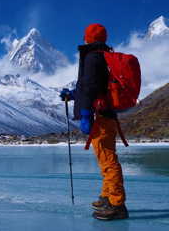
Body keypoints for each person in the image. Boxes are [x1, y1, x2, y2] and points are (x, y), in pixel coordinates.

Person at [60, 24, 129, 221]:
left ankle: (117, 205)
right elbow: (95, 86)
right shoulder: (105, 57)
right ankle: (107, 197)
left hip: (99, 116)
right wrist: (73, 94)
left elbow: (90, 86)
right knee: (106, 160)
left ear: (88, 38)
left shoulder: (92, 57)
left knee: (108, 162)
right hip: (107, 115)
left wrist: (86, 114)